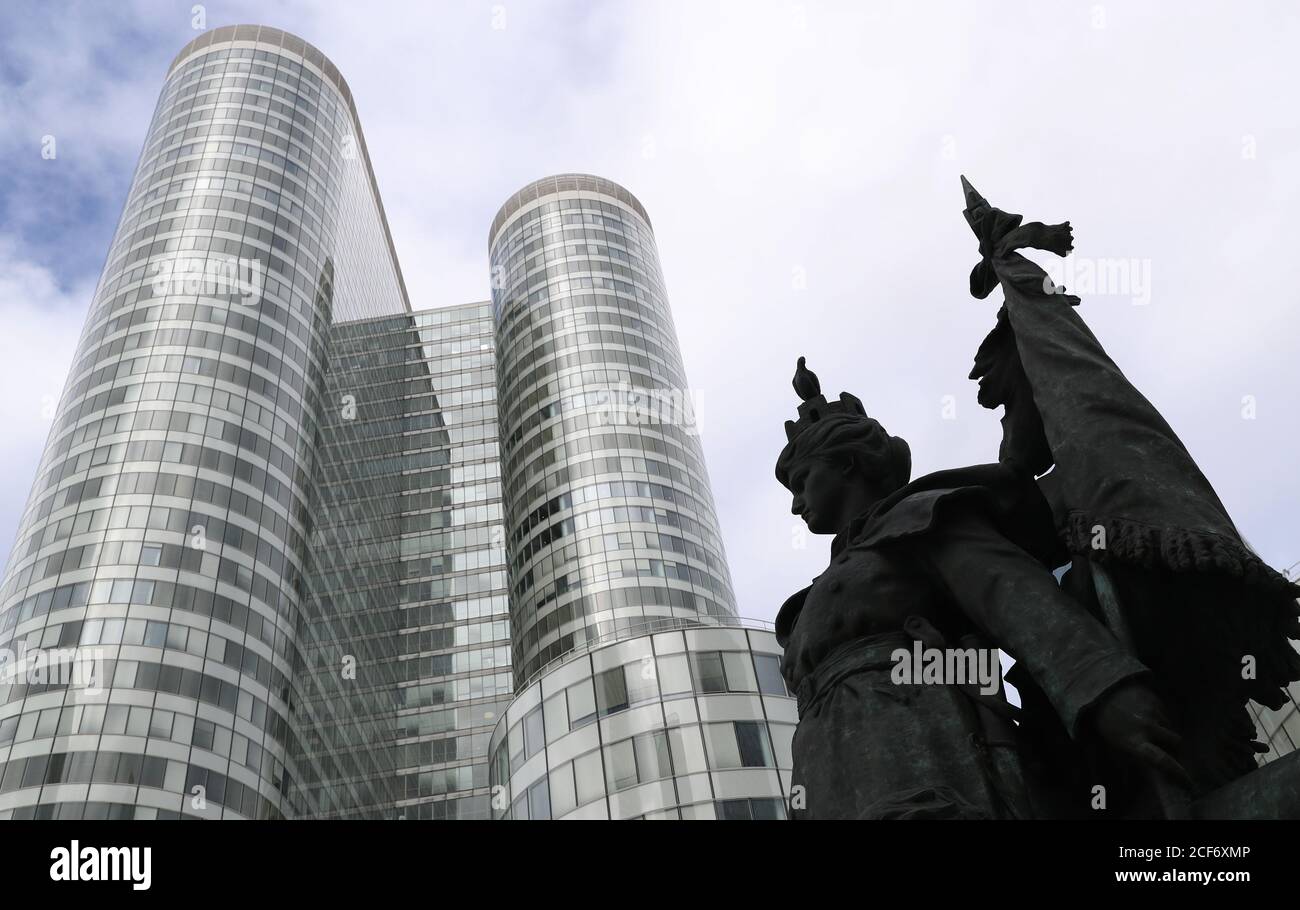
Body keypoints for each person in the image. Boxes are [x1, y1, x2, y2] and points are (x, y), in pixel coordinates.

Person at [774, 358, 1190, 819]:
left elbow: (1015, 597)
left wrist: (1103, 688)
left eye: (802, 481)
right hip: (827, 771)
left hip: (922, 751)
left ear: (848, 464)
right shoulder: (823, 586)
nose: (796, 505)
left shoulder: (918, 520)